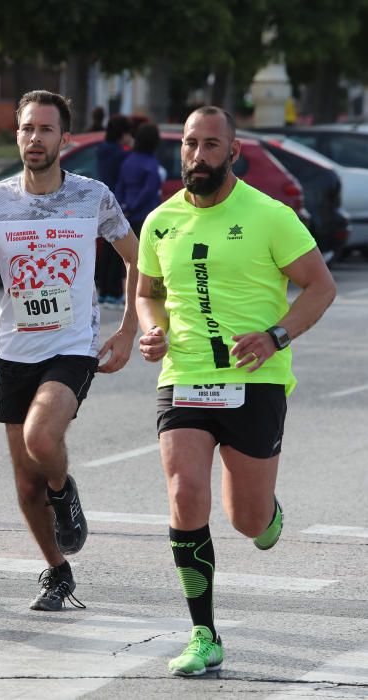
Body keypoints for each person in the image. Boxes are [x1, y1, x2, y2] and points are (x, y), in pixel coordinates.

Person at [136, 106, 336, 677]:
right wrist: (156, 330)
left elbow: (319, 288)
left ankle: (265, 514)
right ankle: (204, 632)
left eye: (211, 145)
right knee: (185, 492)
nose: (199, 155)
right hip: (187, 376)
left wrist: (277, 335)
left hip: (256, 380)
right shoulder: (161, 222)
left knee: (246, 520)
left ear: (234, 150)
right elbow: (147, 291)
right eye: (191, 144)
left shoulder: (270, 216)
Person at [0, 90, 138, 611]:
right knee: (24, 481)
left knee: (43, 437)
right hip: (16, 347)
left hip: (73, 345)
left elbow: (139, 260)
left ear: (66, 138)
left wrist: (127, 330)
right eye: (26, 129)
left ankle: (65, 490)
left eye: (45, 129)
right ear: (16, 135)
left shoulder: (92, 196)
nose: (34, 138)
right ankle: (58, 572)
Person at [95, 115, 133, 305]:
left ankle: (103, 290)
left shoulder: (102, 149)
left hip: (100, 202)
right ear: (123, 134)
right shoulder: (122, 154)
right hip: (116, 203)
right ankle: (114, 292)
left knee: (106, 250)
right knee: (117, 251)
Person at [115, 122, 163, 237]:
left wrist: (122, 208)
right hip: (145, 217)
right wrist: (132, 208)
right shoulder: (151, 164)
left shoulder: (128, 161)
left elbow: (120, 186)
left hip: (125, 217)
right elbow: (148, 191)